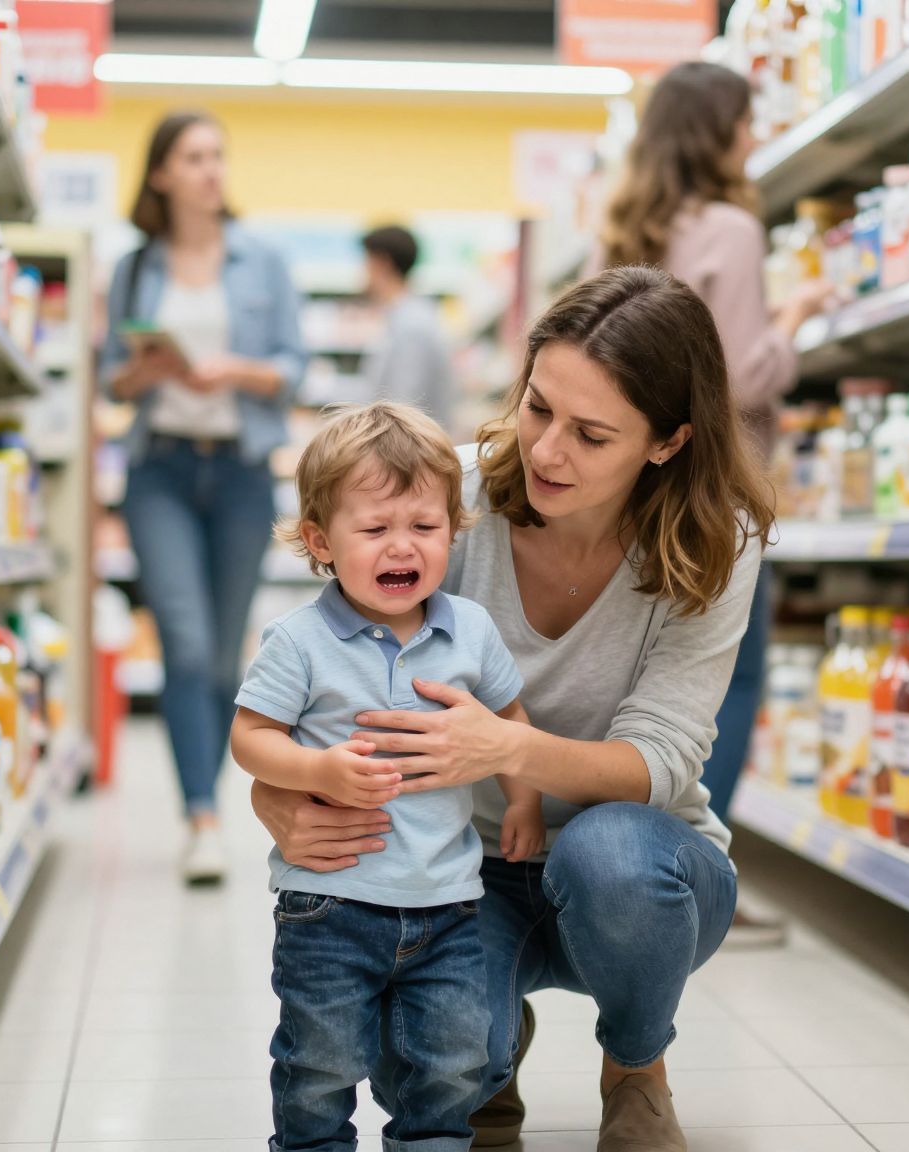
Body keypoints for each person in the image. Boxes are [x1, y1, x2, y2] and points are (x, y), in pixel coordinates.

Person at [249, 266, 773, 1152]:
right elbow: (315, 681)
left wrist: (502, 747)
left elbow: (664, 760)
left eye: (591, 433)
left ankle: (636, 1066)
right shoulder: (440, 506)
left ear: (667, 442)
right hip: (457, 874)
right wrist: (283, 805)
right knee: (410, 1052)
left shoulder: (716, 538)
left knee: (611, 852)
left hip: (644, 875)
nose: (546, 452)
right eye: (538, 408)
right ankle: (495, 1052)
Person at [231, 402, 543, 1151]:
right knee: (319, 1062)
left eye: (425, 528)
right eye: (374, 530)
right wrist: (316, 769)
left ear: (453, 529)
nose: (402, 547)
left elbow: (512, 721)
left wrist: (523, 800)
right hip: (330, 904)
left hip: (450, 905)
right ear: (320, 542)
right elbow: (249, 738)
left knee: (452, 1063)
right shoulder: (299, 642)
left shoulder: (468, 629)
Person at [598, 59, 833, 945]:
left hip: (631, 476)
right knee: (727, 677)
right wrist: (797, 320)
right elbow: (734, 374)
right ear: (718, 132)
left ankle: (634, 868)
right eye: (744, 121)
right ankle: (696, 882)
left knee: (650, 677)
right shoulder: (732, 228)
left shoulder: (621, 225)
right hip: (712, 483)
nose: (753, 135)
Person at [101, 110, 307, 885]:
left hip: (243, 472)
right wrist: (144, 375)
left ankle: (213, 797)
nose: (211, 170)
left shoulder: (264, 261)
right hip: (161, 473)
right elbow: (109, 379)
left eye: (218, 155)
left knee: (224, 654)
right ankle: (202, 816)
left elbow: (293, 367)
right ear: (161, 174)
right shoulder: (132, 268)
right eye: (194, 157)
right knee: (185, 644)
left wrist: (233, 371)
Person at [361, 224, 458, 431]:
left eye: (366, 261)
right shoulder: (406, 319)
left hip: (406, 455)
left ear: (382, 263)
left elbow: (401, 410)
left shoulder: (412, 326)